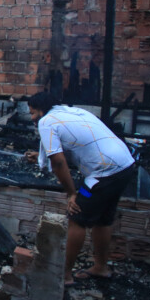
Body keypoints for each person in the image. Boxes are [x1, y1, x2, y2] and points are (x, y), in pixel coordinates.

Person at [25, 92, 137, 286]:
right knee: (103, 219)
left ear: (42, 110)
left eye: (32, 112)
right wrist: (40, 155)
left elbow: (58, 163)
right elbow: (75, 147)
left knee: (76, 218)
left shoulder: (46, 122)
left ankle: (65, 276)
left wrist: (71, 194)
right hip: (125, 166)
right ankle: (101, 268)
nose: (32, 118)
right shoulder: (73, 112)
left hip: (103, 174)